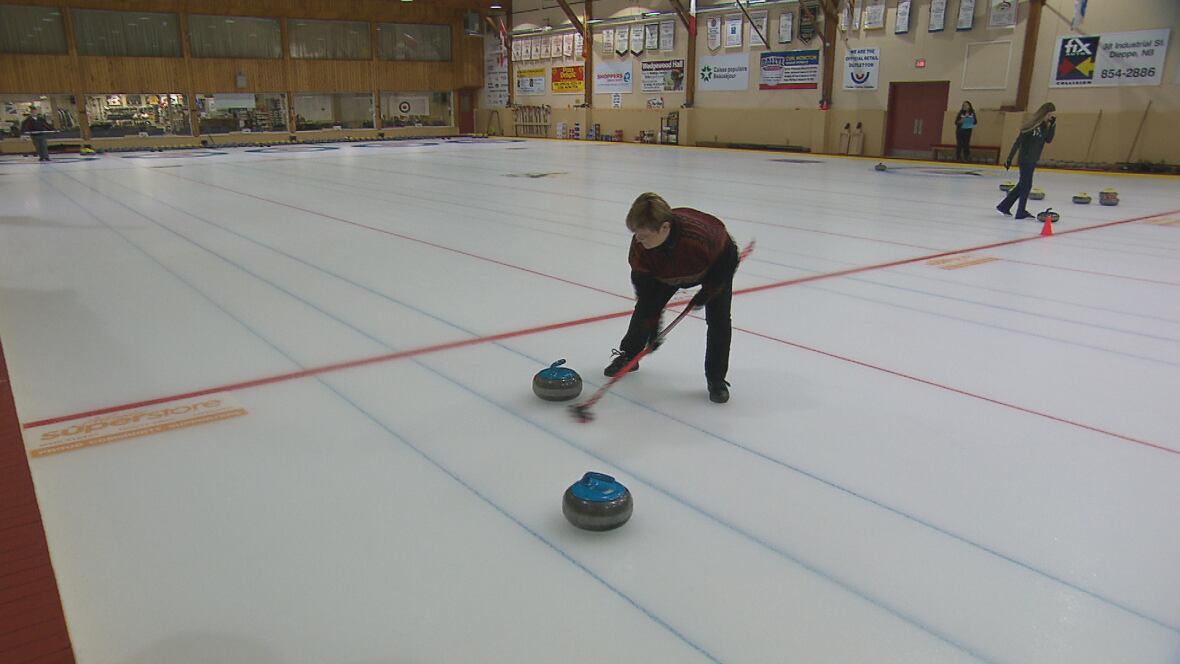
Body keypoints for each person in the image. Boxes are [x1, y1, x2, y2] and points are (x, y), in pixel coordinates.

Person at [604, 192, 740, 403]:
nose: (638, 240)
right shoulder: (641, 248)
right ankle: (630, 355)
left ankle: (716, 378)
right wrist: (653, 325)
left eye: (644, 235)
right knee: (644, 311)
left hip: (711, 268)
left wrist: (708, 292)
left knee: (719, 320)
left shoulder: (704, 237)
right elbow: (646, 293)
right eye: (636, 234)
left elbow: (729, 259)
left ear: (665, 228)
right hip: (664, 274)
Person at [998, 102, 1056, 220]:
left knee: (1022, 185)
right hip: (1025, 159)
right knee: (1026, 185)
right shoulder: (1031, 126)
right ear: (1044, 113)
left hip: (1033, 159)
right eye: (1050, 114)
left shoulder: (1044, 127)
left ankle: (1004, 206)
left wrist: (1053, 126)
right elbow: (1017, 142)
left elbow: (1048, 140)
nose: (1051, 116)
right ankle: (1020, 211)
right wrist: (1009, 158)